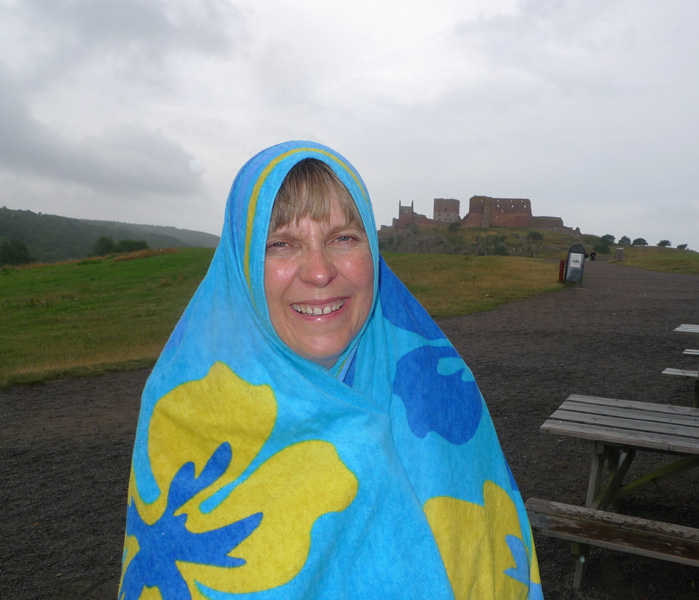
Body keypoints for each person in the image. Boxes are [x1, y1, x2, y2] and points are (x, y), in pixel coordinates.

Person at [118, 141, 543, 599]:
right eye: (281, 244)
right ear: (240, 265)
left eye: (343, 238)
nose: (319, 272)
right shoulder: (182, 412)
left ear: (372, 250)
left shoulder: (442, 395)